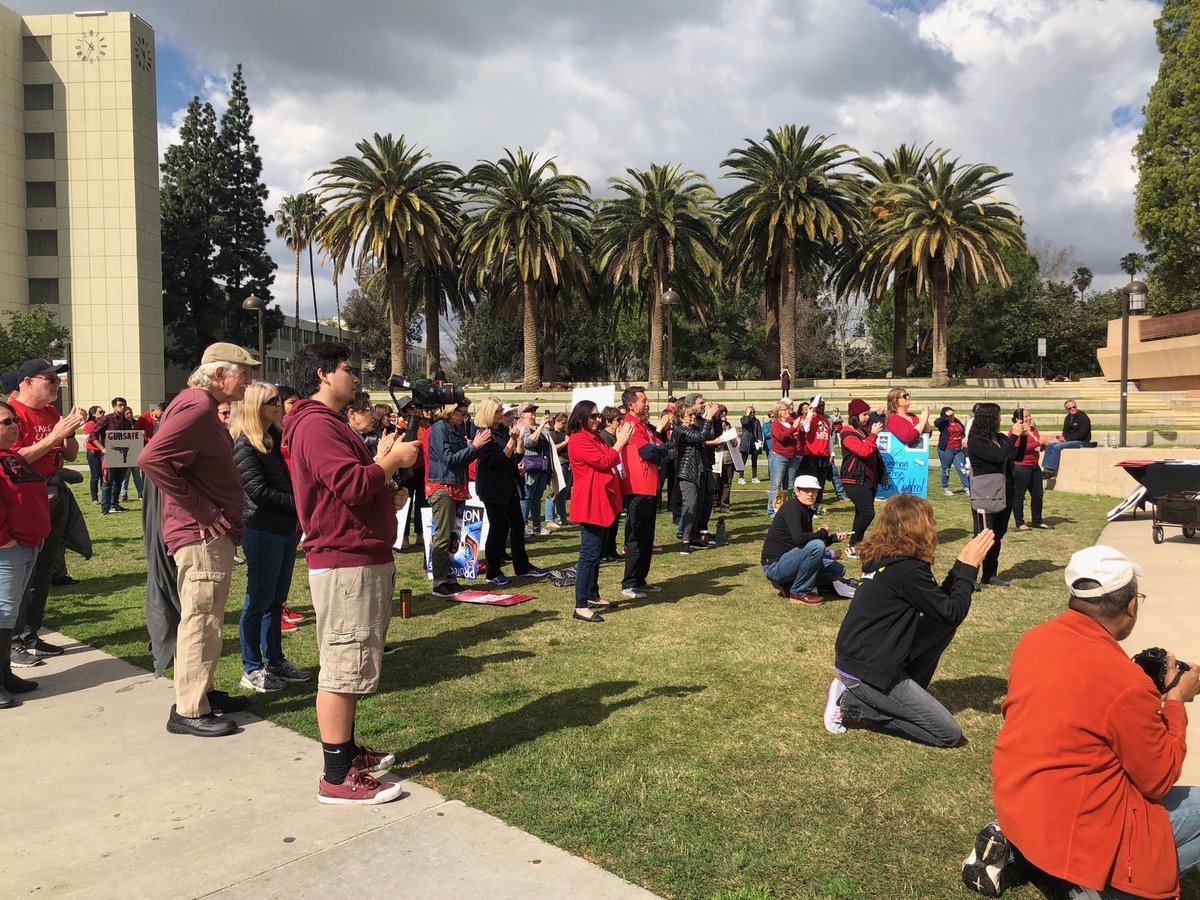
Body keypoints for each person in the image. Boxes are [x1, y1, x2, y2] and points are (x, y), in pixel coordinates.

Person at [982, 545, 1200, 900]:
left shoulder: (1034, 639)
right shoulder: (1125, 684)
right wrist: (1175, 700)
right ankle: (1102, 887)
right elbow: (1158, 779)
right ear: (1131, 606)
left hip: (1020, 809)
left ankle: (1035, 858)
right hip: (1078, 831)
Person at [283, 342, 418, 804]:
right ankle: (336, 775)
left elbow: (356, 487)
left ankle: (346, 753)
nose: (355, 376)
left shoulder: (328, 424)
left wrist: (387, 491)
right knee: (342, 667)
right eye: (347, 369)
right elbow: (351, 483)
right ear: (322, 374)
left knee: (353, 662)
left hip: (357, 554)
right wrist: (393, 461)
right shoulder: (316, 425)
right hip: (345, 559)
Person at [139, 343, 259, 738]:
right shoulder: (197, 406)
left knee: (204, 618)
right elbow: (152, 460)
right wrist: (204, 511)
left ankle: (202, 693)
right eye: (245, 372)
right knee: (202, 620)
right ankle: (190, 709)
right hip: (201, 535)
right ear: (220, 374)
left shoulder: (196, 404)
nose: (250, 380)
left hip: (203, 534)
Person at [824, 494, 995, 747]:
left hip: (865, 658)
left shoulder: (888, 560)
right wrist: (968, 569)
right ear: (918, 527)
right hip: (867, 671)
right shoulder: (907, 570)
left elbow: (942, 609)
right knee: (949, 735)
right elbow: (954, 611)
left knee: (942, 624)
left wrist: (961, 564)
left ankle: (904, 692)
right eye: (931, 521)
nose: (934, 526)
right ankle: (850, 705)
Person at [230, 382, 310, 694]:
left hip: (284, 529)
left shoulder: (274, 439)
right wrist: (300, 506)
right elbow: (258, 492)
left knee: (276, 600)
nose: (278, 405)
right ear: (253, 406)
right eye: (270, 401)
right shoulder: (245, 444)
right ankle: (251, 666)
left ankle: (275, 660)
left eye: (278, 400)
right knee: (258, 600)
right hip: (261, 529)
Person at [8, 358, 86, 666]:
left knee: (44, 569)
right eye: (49, 379)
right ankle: (12, 641)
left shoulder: (52, 412)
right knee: (20, 571)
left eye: (57, 380)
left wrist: (68, 432)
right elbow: (15, 460)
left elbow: (68, 454)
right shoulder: (13, 416)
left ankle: (30, 633)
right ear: (27, 382)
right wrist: (55, 435)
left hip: (54, 493)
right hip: (27, 496)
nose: (56, 384)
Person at [0, 401, 51, 707]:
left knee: (10, 614)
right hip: (8, 550)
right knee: (2, 614)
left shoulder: (12, 458)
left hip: (27, 546)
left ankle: (4, 674)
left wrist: (37, 536)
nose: (14, 425)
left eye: (14, 420)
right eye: (6, 422)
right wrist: (5, 540)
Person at [566, 401, 633, 622]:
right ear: (581, 417)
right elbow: (605, 461)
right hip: (591, 503)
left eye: (598, 416)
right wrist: (620, 442)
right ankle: (580, 605)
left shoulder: (593, 438)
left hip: (603, 500)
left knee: (596, 554)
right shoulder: (578, 440)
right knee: (588, 555)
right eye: (593, 416)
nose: (598, 420)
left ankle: (592, 595)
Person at [473, 396, 548, 587]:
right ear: (489, 413)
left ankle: (522, 566)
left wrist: (518, 441)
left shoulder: (502, 431)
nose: (502, 415)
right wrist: (512, 441)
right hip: (493, 488)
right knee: (498, 528)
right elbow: (497, 461)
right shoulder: (484, 434)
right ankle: (492, 570)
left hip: (509, 485)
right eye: (499, 412)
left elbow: (514, 455)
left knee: (517, 525)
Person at [426, 400, 489, 596]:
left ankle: (450, 578)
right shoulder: (439, 429)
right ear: (450, 411)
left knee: (454, 535)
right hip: (443, 487)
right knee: (443, 535)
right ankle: (439, 582)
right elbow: (449, 460)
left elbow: (461, 459)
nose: (464, 416)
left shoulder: (454, 428)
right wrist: (473, 448)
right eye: (461, 412)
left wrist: (475, 448)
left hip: (455, 485)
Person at [760, 475, 853, 605]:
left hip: (791, 561)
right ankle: (798, 592)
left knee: (838, 570)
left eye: (814, 490)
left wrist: (832, 538)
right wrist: (821, 533)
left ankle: (790, 584)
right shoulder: (792, 507)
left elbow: (807, 544)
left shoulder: (805, 510)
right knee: (817, 545)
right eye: (806, 490)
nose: (810, 494)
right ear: (797, 491)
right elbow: (800, 539)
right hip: (774, 566)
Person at [967, 402, 1028, 589]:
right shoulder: (976, 441)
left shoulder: (1000, 438)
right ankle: (969, 577)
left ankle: (989, 574)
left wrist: (1022, 437)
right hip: (985, 493)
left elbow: (1016, 457)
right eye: (998, 415)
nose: (1000, 419)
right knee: (982, 535)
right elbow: (998, 457)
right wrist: (1014, 436)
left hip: (1005, 491)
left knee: (997, 535)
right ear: (989, 418)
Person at [618, 386, 671, 600]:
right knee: (637, 536)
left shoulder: (644, 426)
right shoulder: (630, 425)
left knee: (647, 536)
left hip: (649, 486)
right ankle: (629, 582)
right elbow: (649, 451)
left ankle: (640, 580)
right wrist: (658, 449)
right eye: (643, 400)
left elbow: (663, 448)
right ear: (631, 405)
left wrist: (659, 449)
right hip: (637, 488)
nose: (647, 404)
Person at [839, 398, 886, 558]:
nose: (867, 417)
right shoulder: (847, 433)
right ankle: (852, 544)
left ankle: (855, 545)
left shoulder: (863, 432)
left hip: (867, 480)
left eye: (867, 413)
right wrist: (873, 435)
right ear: (854, 415)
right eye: (864, 414)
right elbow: (863, 451)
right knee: (867, 513)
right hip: (854, 480)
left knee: (861, 513)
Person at [674, 398, 720, 552]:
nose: (693, 417)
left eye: (694, 414)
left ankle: (692, 537)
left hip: (699, 471)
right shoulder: (680, 430)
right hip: (687, 473)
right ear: (681, 418)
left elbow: (709, 434)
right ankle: (685, 540)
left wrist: (715, 417)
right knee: (691, 505)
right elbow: (701, 437)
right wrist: (708, 417)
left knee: (699, 505)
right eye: (690, 415)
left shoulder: (693, 429)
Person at [1009, 408, 1050, 532]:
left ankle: (1037, 520)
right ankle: (1020, 522)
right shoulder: (1014, 432)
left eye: (1029, 416)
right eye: (1025, 416)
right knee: (1019, 496)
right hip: (1021, 467)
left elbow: (1038, 449)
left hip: (1034, 466)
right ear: (1018, 419)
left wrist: (1043, 444)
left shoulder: (1034, 430)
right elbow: (1019, 449)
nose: (1028, 418)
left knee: (1038, 495)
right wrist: (1038, 443)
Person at [91, 397, 132, 515]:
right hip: (109, 454)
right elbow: (93, 434)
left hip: (124, 454)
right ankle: (105, 507)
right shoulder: (106, 419)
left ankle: (114, 504)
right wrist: (102, 448)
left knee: (119, 481)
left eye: (124, 405)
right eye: (119, 405)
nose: (122, 407)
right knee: (108, 481)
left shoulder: (127, 422)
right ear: (114, 406)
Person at [518, 403, 553, 536]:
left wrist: (548, 426)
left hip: (542, 467)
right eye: (529, 410)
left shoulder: (540, 427)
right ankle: (523, 526)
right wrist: (541, 427)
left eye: (534, 410)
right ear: (522, 414)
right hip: (529, 467)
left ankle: (537, 527)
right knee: (527, 497)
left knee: (537, 498)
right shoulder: (523, 428)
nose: (533, 412)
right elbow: (528, 443)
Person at [797, 395, 834, 512]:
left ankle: (818, 504)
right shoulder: (808, 418)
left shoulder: (826, 420)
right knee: (811, 480)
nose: (821, 407)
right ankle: (808, 505)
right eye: (819, 405)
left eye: (822, 405)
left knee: (821, 482)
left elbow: (829, 438)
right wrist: (810, 413)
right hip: (811, 454)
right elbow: (806, 428)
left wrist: (831, 453)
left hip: (823, 455)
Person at [765, 400, 800, 519]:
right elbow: (781, 437)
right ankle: (772, 512)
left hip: (791, 457)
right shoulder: (776, 424)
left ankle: (785, 510)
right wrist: (793, 429)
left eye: (787, 409)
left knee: (789, 486)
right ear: (778, 412)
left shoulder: (790, 424)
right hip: (779, 457)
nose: (787, 411)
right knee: (776, 486)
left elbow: (791, 437)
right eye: (784, 410)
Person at [598, 406, 625, 562]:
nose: (621, 423)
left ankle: (611, 550)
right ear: (608, 422)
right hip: (608, 482)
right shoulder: (604, 438)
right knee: (608, 520)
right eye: (618, 420)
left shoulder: (617, 436)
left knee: (615, 518)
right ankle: (604, 552)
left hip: (618, 481)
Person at [1041, 399, 1092, 478]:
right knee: (1049, 446)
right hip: (1069, 440)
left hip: (1081, 441)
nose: (1072, 409)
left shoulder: (1083, 417)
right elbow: (1065, 431)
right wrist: (1062, 437)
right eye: (1069, 408)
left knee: (1057, 447)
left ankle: (1051, 471)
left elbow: (1082, 434)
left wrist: (1066, 439)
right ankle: (1045, 469)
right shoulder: (1068, 418)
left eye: (1074, 407)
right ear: (1066, 409)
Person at [544, 412, 570, 528]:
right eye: (562, 423)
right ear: (557, 421)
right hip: (558, 463)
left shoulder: (566, 432)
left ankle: (562, 517)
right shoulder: (551, 433)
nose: (564, 425)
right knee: (553, 491)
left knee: (564, 492)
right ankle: (549, 518)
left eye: (565, 423)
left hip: (568, 464)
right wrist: (564, 443)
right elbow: (552, 448)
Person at [82, 405, 105, 504]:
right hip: (93, 453)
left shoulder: (102, 423)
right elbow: (92, 438)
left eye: (103, 411)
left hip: (101, 452)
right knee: (95, 476)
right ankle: (95, 498)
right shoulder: (90, 424)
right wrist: (102, 448)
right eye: (100, 412)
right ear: (93, 414)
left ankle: (104, 496)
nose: (103, 413)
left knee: (103, 475)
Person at [739, 406, 763, 484]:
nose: (752, 414)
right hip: (746, 442)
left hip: (754, 443)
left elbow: (759, 431)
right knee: (743, 460)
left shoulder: (757, 421)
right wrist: (747, 414)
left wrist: (760, 440)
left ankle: (754, 477)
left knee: (754, 460)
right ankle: (741, 477)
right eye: (750, 412)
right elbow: (745, 422)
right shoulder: (744, 419)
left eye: (753, 412)